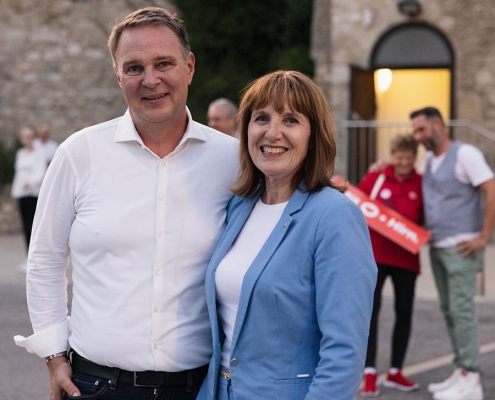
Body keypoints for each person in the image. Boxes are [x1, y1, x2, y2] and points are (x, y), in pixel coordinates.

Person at [14, 7, 238, 400]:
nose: (150, 80)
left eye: (163, 63)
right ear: (118, 75)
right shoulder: (78, 154)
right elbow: (46, 258)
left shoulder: (231, 161)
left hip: (200, 388)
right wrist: (54, 355)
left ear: (189, 66)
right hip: (96, 386)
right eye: (134, 68)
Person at [197, 70, 377, 400]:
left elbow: (344, 355)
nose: (272, 132)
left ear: (313, 135)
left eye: (291, 120)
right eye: (261, 118)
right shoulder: (238, 207)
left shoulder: (334, 216)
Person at [410, 106, 495, 400]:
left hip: (462, 247)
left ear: (437, 125)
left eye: (421, 130)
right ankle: (461, 371)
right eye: (415, 132)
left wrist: (484, 237)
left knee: (462, 312)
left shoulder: (465, 154)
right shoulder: (431, 160)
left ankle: (471, 378)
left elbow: (491, 188)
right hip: (437, 247)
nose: (418, 136)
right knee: (448, 312)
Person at [357, 134, 423, 396]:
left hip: (407, 258)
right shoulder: (377, 177)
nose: (404, 162)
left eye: (409, 157)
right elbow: (354, 205)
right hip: (375, 257)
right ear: (392, 156)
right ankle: (369, 372)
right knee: (370, 313)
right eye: (400, 157)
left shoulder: (421, 182)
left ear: (415, 158)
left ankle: (396, 371)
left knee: (404, 312)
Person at [11, 126, 47, 254]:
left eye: (31, 136)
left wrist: (30, 183)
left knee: (34, 226)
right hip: (22, 194)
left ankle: (37, 255)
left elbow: (40, 172)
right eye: (26, 137)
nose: (28, 139)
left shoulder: (39, 152)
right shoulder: (20, 153)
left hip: (33, 194)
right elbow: (18, 174)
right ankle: (29, 256)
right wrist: (16, 190)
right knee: (26, 227)